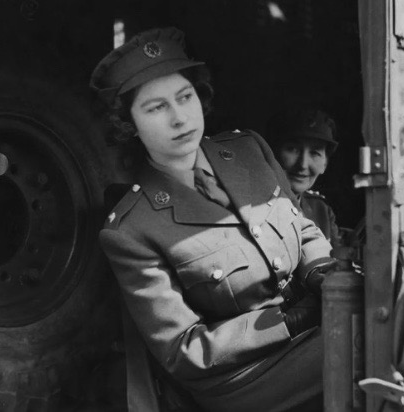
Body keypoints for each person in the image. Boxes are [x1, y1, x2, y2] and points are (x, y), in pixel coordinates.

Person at [90, 27, 335, 412]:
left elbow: (302, 229)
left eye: (184, 97)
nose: (178, 118)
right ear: (129, 124)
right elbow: (183, 350)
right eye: (156, 108)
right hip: (244, 378)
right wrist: (289, 320)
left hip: (317, 334)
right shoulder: (129, 230)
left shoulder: (249, 150)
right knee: (371, 337)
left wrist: (322, 272)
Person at [267, 106, 340, 246]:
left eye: (315, 153)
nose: (303, 165)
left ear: (324, 164)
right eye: (292, 149)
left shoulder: (321, 211)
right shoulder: (252, 207)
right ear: (272, 154)